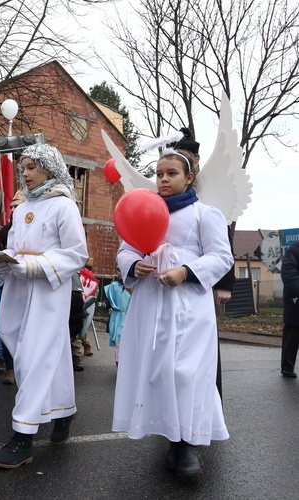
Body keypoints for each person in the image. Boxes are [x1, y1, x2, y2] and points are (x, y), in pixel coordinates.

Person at [112, 148, 233, 477]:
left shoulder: (204, 214)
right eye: (159, 174)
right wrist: (132, 264)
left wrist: (186, 271)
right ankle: (170, 436)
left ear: (189, 177)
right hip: (151, 302)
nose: (163, 179)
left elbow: (222, 256)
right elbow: (127, 248)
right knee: (158, 371)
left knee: (185, 372)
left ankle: (187, 445)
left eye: (172, 173)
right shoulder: (145, 208)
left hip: (189, 306)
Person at [0, 143, 88, 469]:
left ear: (49, 167)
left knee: (34, 356)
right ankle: (63, 411)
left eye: (32, 167)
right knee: (47, 353)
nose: (25, 173)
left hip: (47, 292)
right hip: (19, 291)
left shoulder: (64, 206)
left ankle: (23, 436)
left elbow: (76, 254)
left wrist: (36, 266)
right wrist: (3, 263)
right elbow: (15, 248)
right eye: (23, 168)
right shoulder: (21, 209)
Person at [169, 127, 236, 397]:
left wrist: (224, 284)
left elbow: (223, 243)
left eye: (190, 157)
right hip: (171, 281)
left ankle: (210, 403)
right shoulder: (171, 187)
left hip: (200, 278)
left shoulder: (207, 196)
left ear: (195, 163)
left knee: (204, 344)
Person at [0, 190, 25, 385]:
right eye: (11, 206)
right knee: (7, 326)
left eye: (17, 205)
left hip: (32, 283)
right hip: (10, 283)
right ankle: (10, 368)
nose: (13, 209)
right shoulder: (4, 230)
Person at [103, 269, 131, 366]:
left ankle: (127, 363)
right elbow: (109, 300)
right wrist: (104, 304)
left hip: (129, 317)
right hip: (118, 317)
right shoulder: (114, 286)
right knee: (119, 339)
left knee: (129, 341)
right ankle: (119, 362)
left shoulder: (134, 286)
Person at [280, 241, 299, 378]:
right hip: (296, 300)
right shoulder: (294, 250)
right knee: (292, 332)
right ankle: (287, 366)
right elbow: (289, 274)